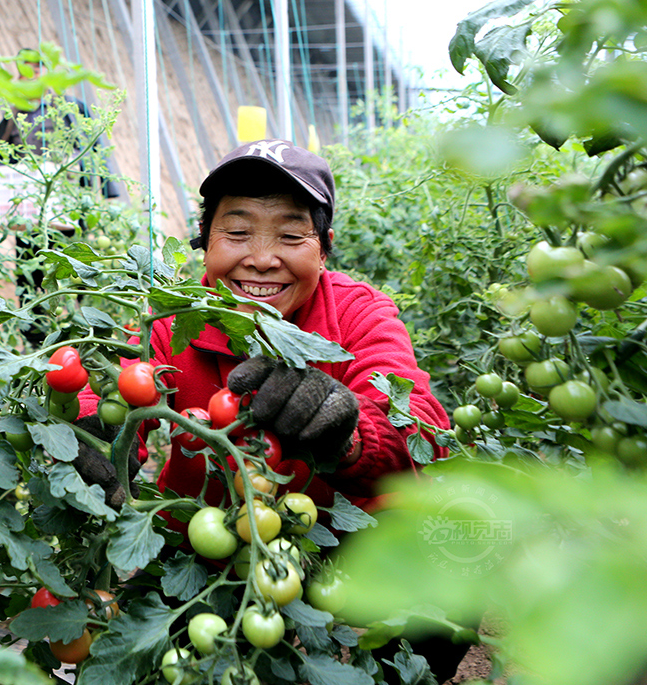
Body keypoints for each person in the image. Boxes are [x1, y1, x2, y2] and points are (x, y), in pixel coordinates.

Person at [75, 139, 462, 682]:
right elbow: (109, 381)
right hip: (211, 546)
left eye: (290, 235)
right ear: (204, 244)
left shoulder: (357, 312)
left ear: (323, 249)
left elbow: (417, 421)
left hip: (343, 538)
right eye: (237, 232)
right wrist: (94, 433)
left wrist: (346, 433)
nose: (261, 257)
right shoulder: (167, 316)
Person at [0, 49, 119, 344]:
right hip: (30, 209)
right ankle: (34, 331)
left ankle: (87, 328)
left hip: (67, 203)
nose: (32, 74)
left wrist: (104, 187)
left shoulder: (69, 108)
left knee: (76, 264)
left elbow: (94, 146)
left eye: (38, 68)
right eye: (26, 70)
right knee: (29, 265)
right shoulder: (13, 116)